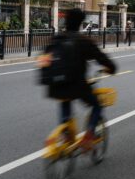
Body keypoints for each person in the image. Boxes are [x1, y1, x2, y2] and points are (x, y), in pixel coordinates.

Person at [41, 8, 117, 150]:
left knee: (64, 98)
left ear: (66, 21)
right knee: (97, 105)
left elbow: (44, 60)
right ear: (81, 23)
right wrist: (111, 68)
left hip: (54, 86)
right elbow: (103, 59)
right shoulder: (83, 40)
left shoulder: (56, 39)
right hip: (77, 85)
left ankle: (66, 130)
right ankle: (88, 135)